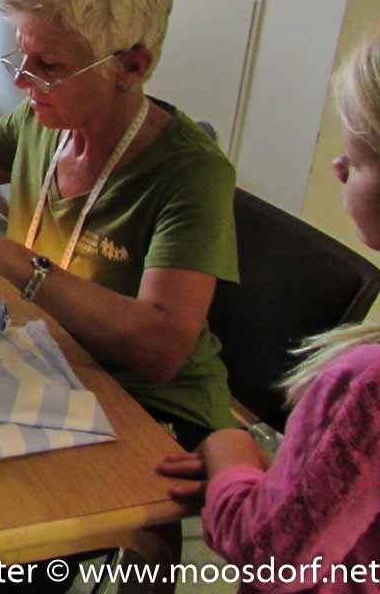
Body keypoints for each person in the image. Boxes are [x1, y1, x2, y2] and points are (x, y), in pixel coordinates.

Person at [0, 0, 238, 450]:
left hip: (151, 408)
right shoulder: (47, 121)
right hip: (53, 358)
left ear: (131, 67)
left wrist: (8, 260)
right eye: (23, 55)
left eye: (49, 64)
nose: (21, 78)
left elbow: (160, 349)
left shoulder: (192, 174)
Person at [158, 29, 380, 588]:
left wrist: (228, 450)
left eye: (356, 159)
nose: (338, 167)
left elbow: (269, 552)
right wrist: (279, 478)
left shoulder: (366, 386)